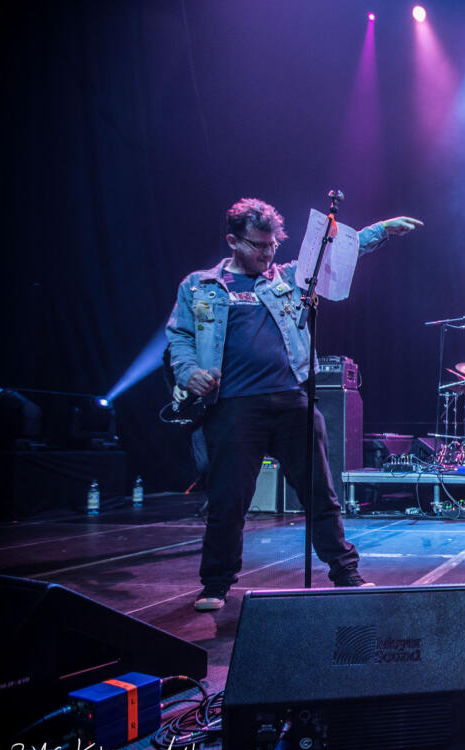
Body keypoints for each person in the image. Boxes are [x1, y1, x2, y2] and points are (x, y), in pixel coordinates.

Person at [167, 198, 422, 611]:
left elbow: (335, 255)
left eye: (272, 245)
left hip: (291, 401)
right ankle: (215, 583)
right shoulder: (200, 286)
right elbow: (179, 337)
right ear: (232, 241)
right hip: (233, 407)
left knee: (321, 495)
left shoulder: (287, 278)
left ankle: (345, 573)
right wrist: (188, 371)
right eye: (258, 245)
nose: (268, 253)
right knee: (228, 501)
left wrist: (381, 229)